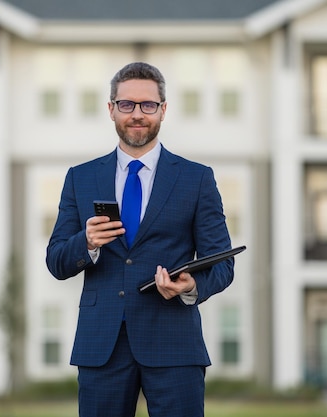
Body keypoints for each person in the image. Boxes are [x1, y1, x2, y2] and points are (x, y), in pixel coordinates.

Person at [46, 62, 235, 417]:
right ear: (111, 109)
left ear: (163, 110)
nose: (137, 114)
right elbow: (56, 260)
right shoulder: (81, 178)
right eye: (127, 104)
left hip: (174, 343)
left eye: (148, 105)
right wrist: (86, 244)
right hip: (101, 346)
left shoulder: (197, 179)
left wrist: (190, 286)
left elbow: (223, 263)